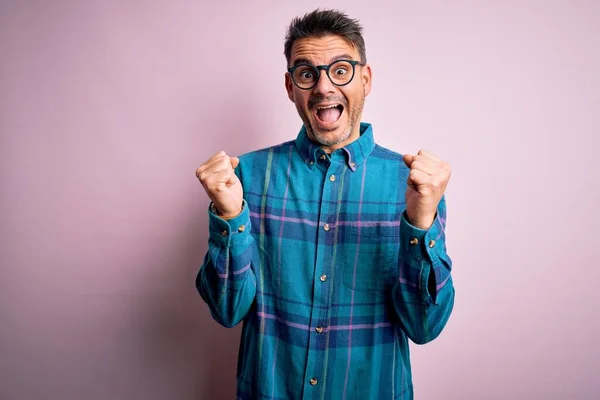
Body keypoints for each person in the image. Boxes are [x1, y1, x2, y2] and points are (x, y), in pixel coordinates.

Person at [195, 8, 455, 399]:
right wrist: (230, 218)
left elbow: (424, 326)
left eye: (340, 70)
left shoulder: (413, 185)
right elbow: (227, 310)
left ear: (365, 80)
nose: (323, 87)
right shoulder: (245, 176)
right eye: (307, 73)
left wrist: (420, 223)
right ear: (290, 87)